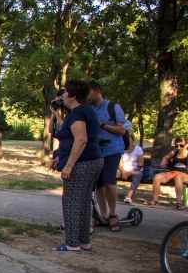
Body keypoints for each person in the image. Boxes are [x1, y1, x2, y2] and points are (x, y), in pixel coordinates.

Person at [49, 79, 103, 252]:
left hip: (83, 163)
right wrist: (61, 158)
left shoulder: (78, 112)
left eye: (65, 92)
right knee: (84, 202)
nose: (63, 95)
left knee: (71, 201)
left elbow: (81, 140)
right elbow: (73, 140)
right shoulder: (86, 110)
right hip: (92, 160)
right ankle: (84, 242)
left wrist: (69, 165)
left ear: (72, 96)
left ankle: (72, 243)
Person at [88, 82, 128, 231]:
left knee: (109, 182)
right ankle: (102, 214)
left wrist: (102, 125)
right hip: (96, 150)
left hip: (113, 149)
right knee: (99, 183)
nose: (87, 96)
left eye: (89, 93)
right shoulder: (90, 109)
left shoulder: (113, 107)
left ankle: (113, 214)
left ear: (97, 91)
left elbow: (121, 130)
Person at [147, 137, 188, 208]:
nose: (178, 147)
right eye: (176, 146)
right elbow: (166, 157)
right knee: (157, 177)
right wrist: (164, 160)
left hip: (185, 174)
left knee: (178, 177)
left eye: (181, 146)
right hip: (173, 172)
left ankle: (179, 202)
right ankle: (155, 200)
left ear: (186, 145)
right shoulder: (174, 152)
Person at [118, 138, 144, 204]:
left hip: (135, 170)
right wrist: (123, 171)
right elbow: (120, 163)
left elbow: (140, 165)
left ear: (133, 140)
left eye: (129, 139)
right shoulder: (121, 148)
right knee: (113, 173)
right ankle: (111, 194)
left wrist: (130, 172)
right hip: (123, 170)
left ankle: (129, 196)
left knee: (137, 175)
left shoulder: (138, 149)